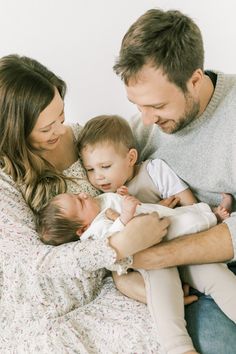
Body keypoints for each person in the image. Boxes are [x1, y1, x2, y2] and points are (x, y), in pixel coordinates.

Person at [0, 54, 171, 353]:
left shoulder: (82, 138)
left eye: (61, 117)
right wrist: (118, 246)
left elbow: (129, 161)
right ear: (14, 129)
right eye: (45, 128)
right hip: (44, 309)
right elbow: (34, 265)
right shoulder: (5, 178)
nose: (59, 130)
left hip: (107, 282)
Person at [113, 8, 236, 354]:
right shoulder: (138, 133)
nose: (147, 120)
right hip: (181, 265)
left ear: (194, 79)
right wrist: (126, 278)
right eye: (137, 105)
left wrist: (153, 257)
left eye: (157, 105)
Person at [36, 190, 236, 354]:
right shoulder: (93, 233)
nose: (84, 195)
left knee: (216, 276)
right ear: (82, 229)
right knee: (165, 298)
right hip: (150, 260)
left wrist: (126, 198)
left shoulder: (100, 205)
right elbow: (113, 242)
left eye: (77, 194)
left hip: (179, 245)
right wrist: (124, 216)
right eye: (79, 202)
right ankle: (179, 347)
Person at [77, 114, 232, 222]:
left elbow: (188, 202)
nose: (97, 177)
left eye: (105, 166)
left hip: (179, 223)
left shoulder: (154, 171)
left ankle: (213, 216)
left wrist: (202, 212)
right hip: (149, 237)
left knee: (191, 218)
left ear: (130, 158)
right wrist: (155, 208)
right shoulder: (104, 197)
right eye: (90, 169)